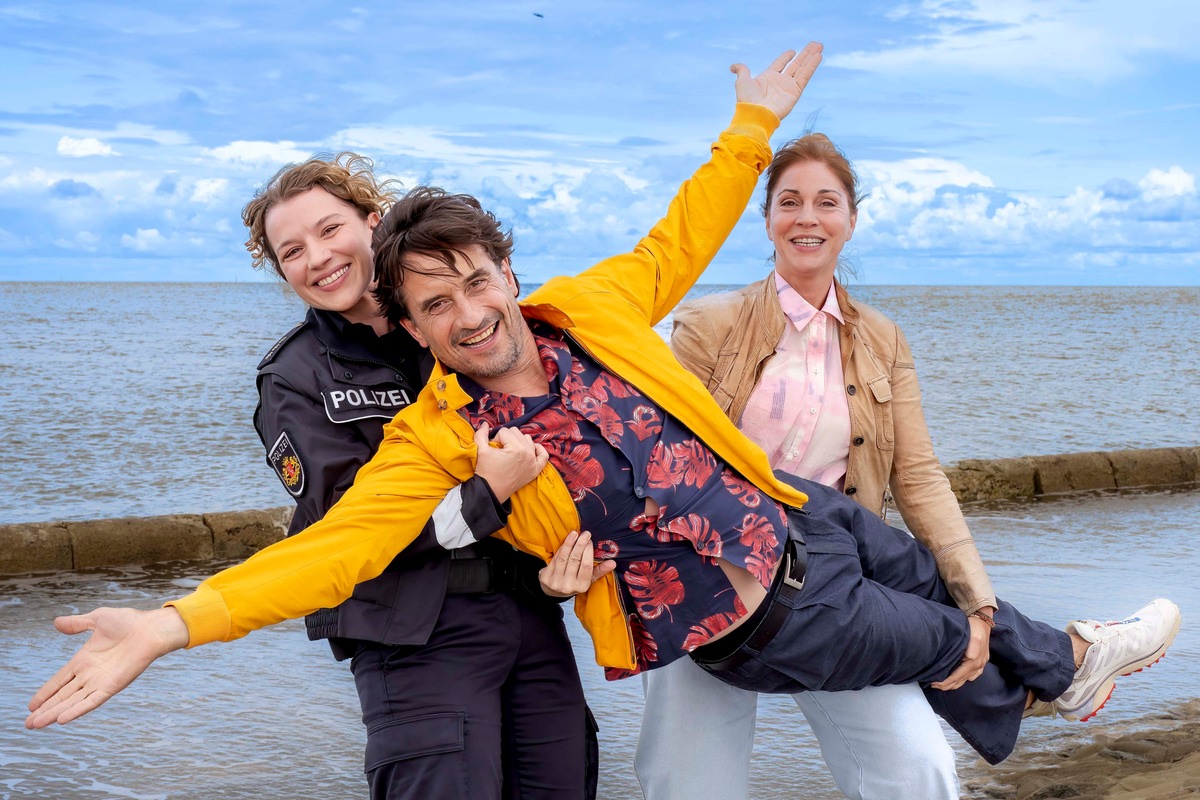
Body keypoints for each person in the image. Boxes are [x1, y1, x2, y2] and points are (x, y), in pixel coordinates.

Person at [27, 44, 1179, 774]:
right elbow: (329, 553)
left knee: (929, 579)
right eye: (437, 304)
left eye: (479, 279)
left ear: (507, 271)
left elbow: (680, 236)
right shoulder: (439, 434)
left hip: (799, 516)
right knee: (945, 640)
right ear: (416, 326)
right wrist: (173, 623)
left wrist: (751, 129)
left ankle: (1066, 665)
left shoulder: (591, 304)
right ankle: (1059, 663)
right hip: (736, 607)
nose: (470, 311)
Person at [633, 131, 977, 799]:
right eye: (789, 202)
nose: (807, 218)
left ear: (851, 219)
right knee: (691, 783)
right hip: (710, 579)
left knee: (917, 769)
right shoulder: (706, 325)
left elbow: (919, 477)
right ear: (766, 220)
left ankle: (1051, 667)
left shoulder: (883, 338)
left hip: (833, 587)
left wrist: (977, 600)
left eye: (826, 202)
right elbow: (664, 460)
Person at [251, 154, 599, 799]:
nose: (318, 257)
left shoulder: (461, 327)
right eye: (291, 250)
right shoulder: (294, 378)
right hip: (409, 633)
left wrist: (557, 572)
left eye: (331, 230)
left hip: (526, 610)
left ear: (373, 223)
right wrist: (486, 492)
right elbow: (351, 534)